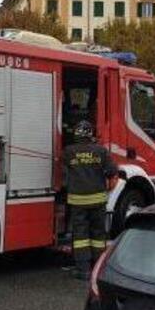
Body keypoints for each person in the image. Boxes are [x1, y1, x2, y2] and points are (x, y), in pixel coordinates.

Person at [63, 120, 118, 280]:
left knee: (80, 236)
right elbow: (113, 175)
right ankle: (98, 267)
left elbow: (62, 172)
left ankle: (83, 270)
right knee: (98, 235)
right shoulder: (101, 151)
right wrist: (107, 191)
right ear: (90, 134)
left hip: (77, 202)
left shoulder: (68, 151)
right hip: (98, 201)